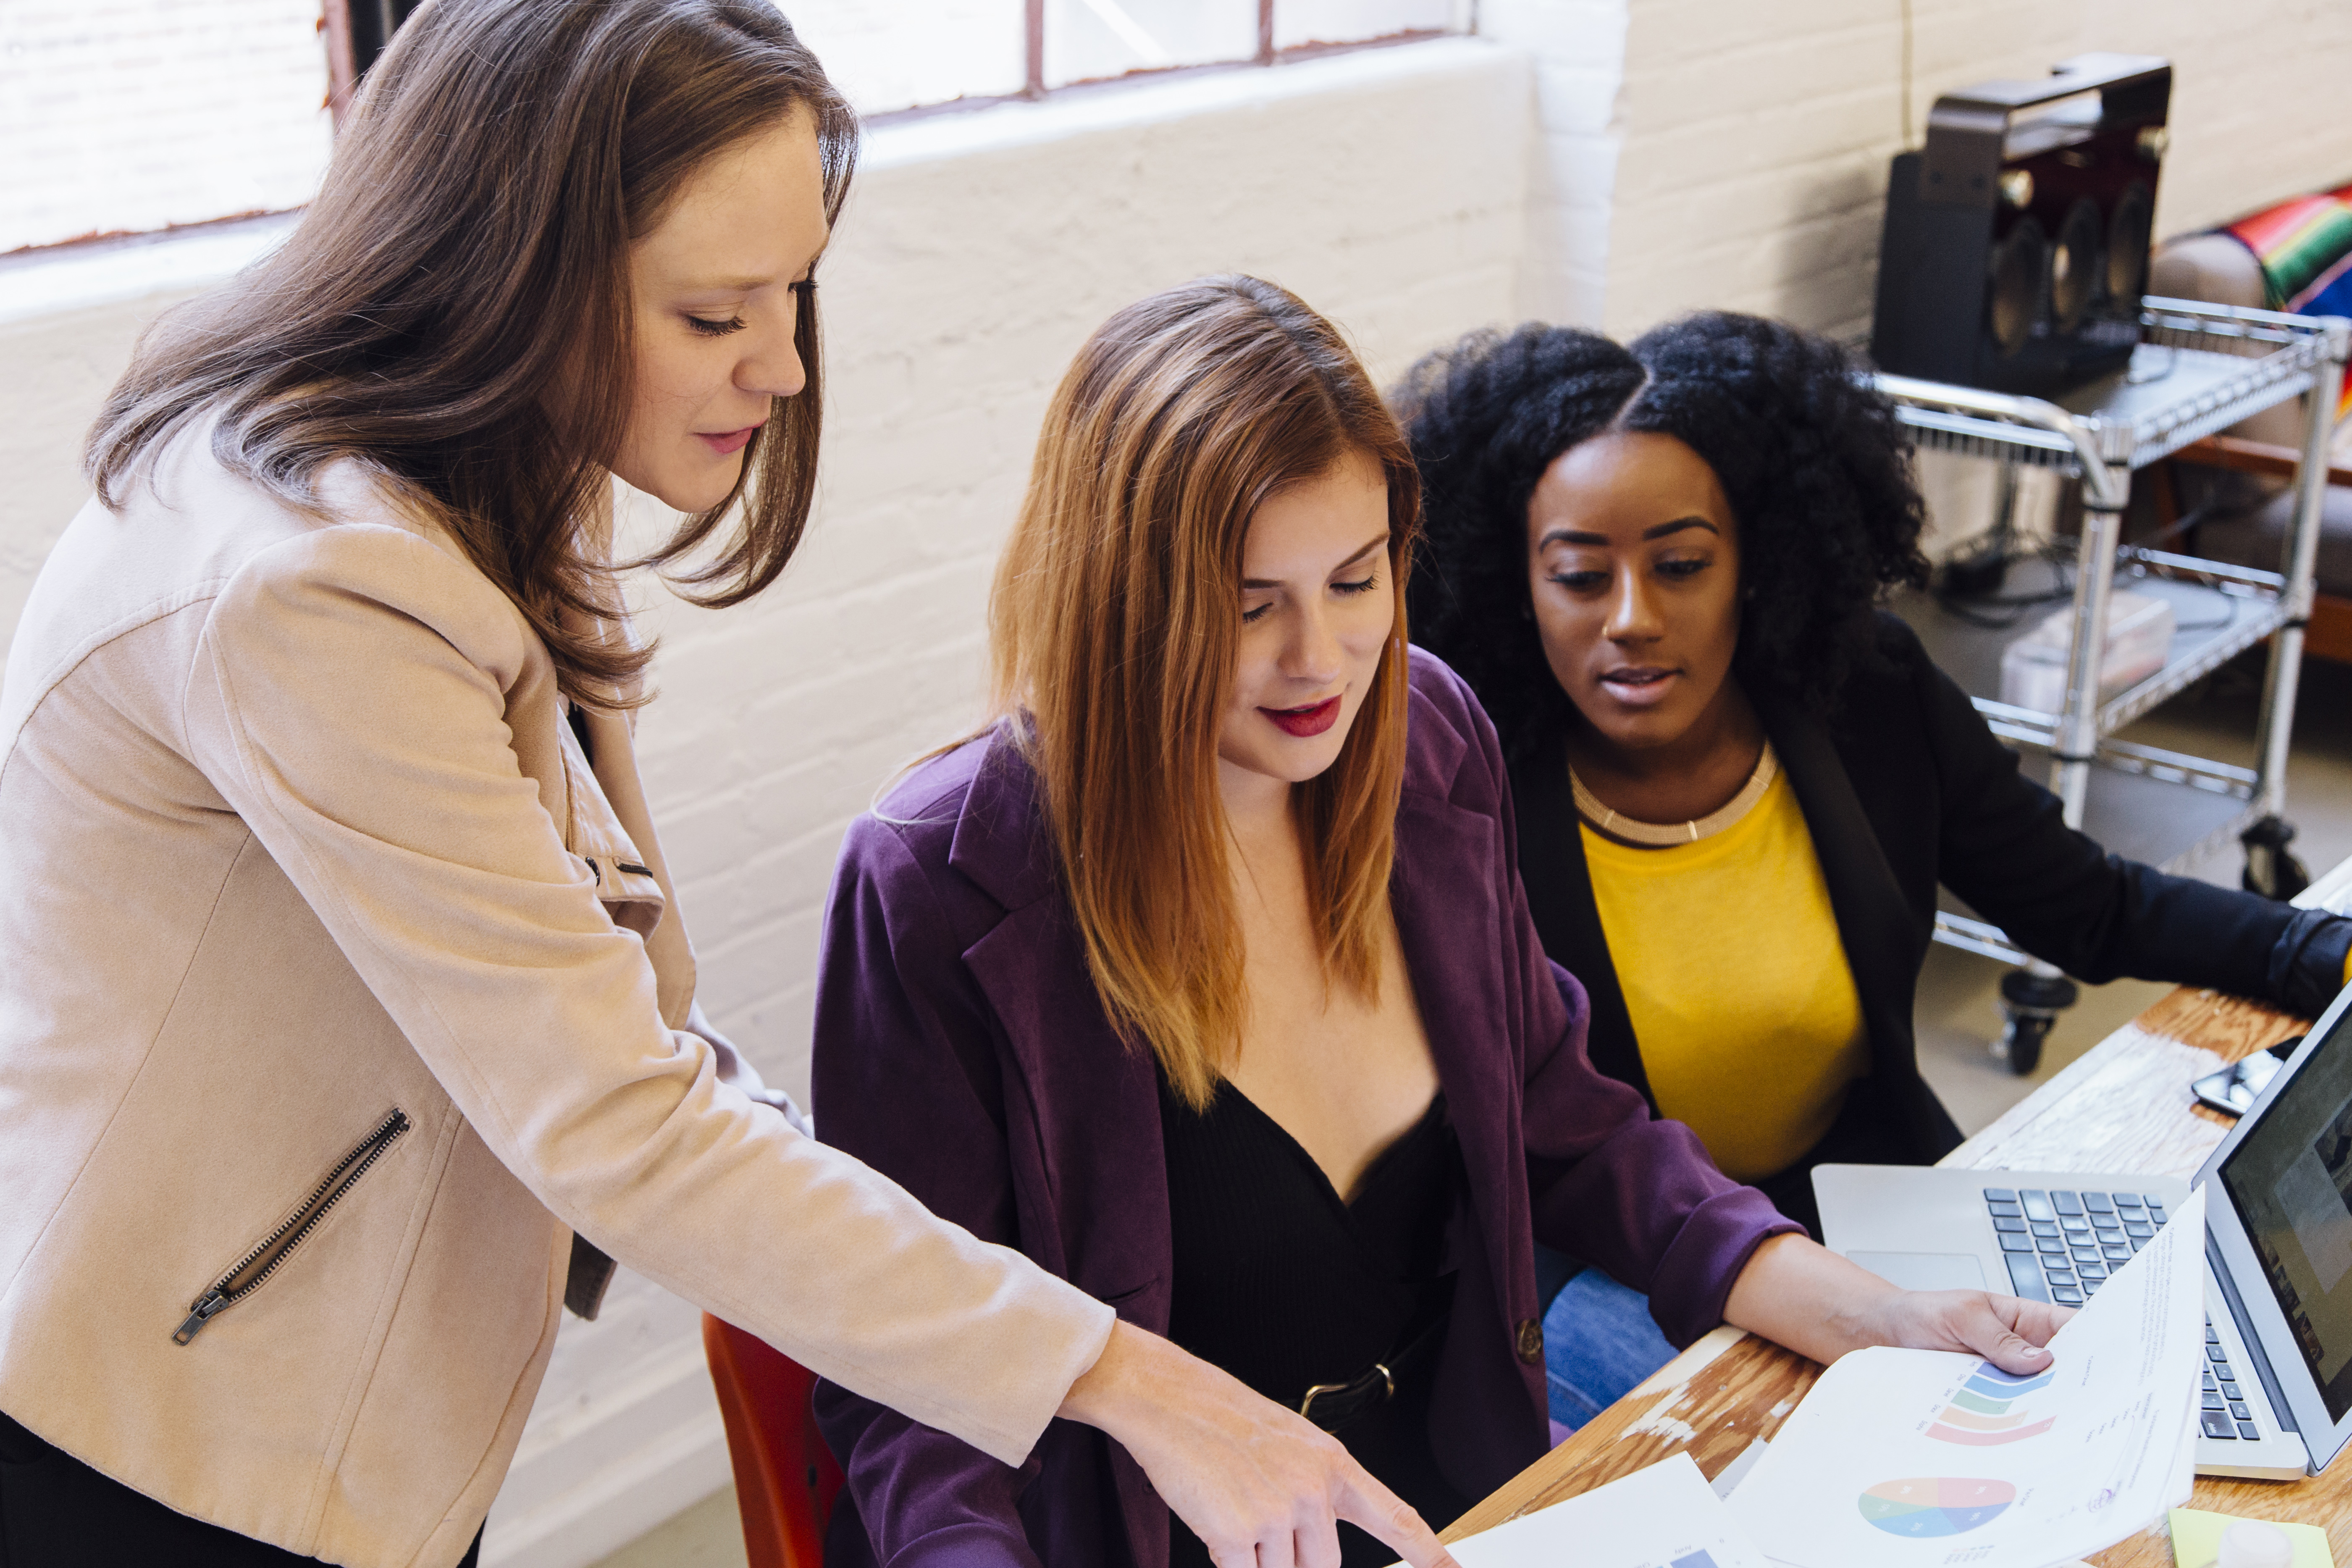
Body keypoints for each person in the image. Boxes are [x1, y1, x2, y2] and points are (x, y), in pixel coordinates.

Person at [0, 9, 1457, 1568]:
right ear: (515, 273)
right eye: (713, 316)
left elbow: (629, 1032)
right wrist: (1140, 1383)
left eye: (794, 295)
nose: (781, 367)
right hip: (176, 1443)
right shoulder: (318, 588)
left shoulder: (481, 473)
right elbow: (619, 1116)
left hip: (351, 1398)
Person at [806, 276, 2070, 1568]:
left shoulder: (1425, 739)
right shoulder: (942, 882)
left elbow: (1569, 1125)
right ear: (1119, 598)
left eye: (1356, 581)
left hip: (1454, 1499)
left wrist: (1866, 1310)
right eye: (1250, 606)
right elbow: (915, 1386)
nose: (1322, 661)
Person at [1398, 310, 2352, 1420]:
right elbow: (1534, 1153)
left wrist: (2315, 953)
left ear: (1756, 561)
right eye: (1578, 576)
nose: (1632, 620)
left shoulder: (1868, 699)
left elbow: (2088, 904)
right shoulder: (1462, 794)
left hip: (1856, 1197)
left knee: (2107, 1391)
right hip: (1599, 1261)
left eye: (1681, 565)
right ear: (1515, 582)